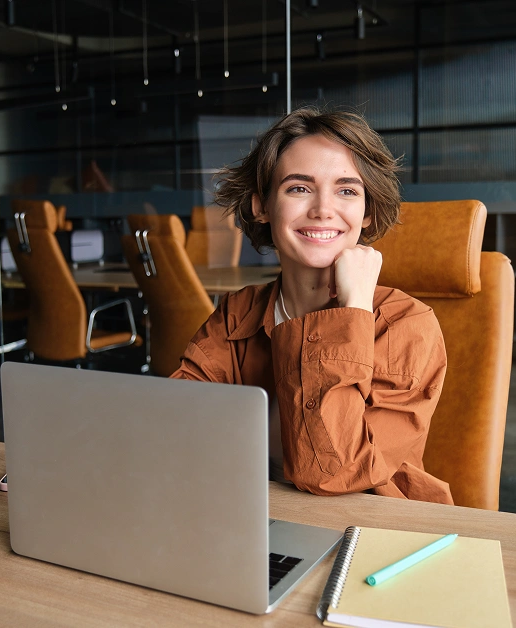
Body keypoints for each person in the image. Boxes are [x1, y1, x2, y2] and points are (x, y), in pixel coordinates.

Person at [171, 107, 454, 505]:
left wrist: (352, 313)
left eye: (347, 190)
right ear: (261, 206)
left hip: (370, 530)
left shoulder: (406, 325)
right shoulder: (239, 313)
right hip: (252, 517)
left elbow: (333, 474)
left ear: (367, 212)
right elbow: (174, 432)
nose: (323, 209)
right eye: (299, 188)